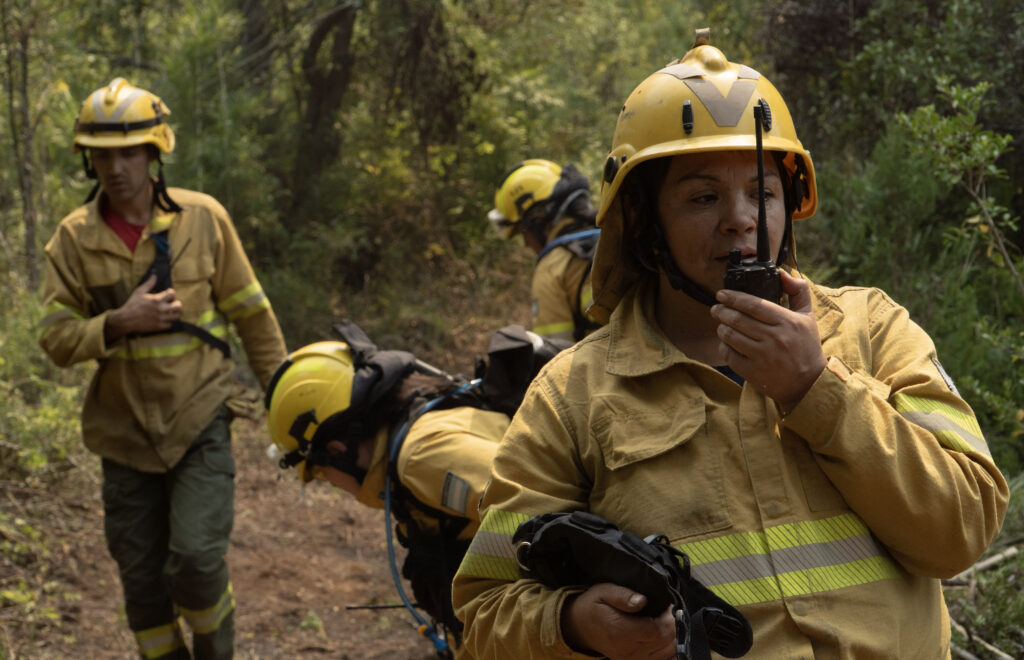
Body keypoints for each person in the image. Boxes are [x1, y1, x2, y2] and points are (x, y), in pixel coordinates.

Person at [452, 29, 1010, 659]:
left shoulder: (873, 329)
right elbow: (485, 612)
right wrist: (575, 624)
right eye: (703, 196)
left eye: (762, 193)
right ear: (642, 219)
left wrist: (816, 389)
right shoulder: (570, 396)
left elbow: (962, 533)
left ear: (789, 205)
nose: (740, 219)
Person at [39, 78, 287, 659]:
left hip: (199, 421)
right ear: (88, 160)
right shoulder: (72, 240)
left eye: (129, 152)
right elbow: (55, 339)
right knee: (144, 589)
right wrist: (117, 322)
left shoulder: (203, 219)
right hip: (122, 435)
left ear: (154, 152)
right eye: (103, 155)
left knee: (197, 562)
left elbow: (253, 316)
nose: (116, 167)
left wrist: (287, 406)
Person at [264, 321, 568, 659]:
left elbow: (543, 506)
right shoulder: (412, 445)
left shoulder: (421, 457)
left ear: (337, 450)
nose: (331, 483)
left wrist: (477, 588)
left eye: (320, 473)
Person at [488, 159, 601, 342]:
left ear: (538, 220)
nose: (526, 244)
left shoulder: (551, 268)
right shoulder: (614, 237)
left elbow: (552, 352)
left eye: (523, 232)